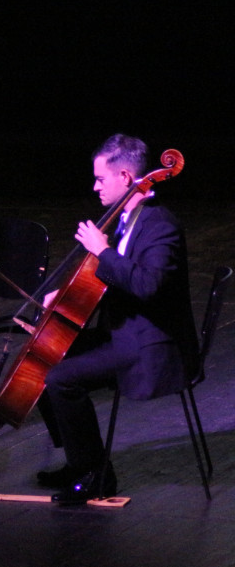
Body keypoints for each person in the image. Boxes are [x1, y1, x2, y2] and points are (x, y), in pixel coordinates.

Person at [37, 134, 197, 504]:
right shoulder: (128, 221)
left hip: (150, 345)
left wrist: (103, 250)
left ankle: (96, 476)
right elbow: (110, 283)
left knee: (61, 378)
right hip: (124, 332)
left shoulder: (158, 223)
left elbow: (146, 285)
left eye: (100, 179)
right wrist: (61, 299)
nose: (94, 187)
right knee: (49, 352)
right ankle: (80, 461)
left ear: (126, 177)